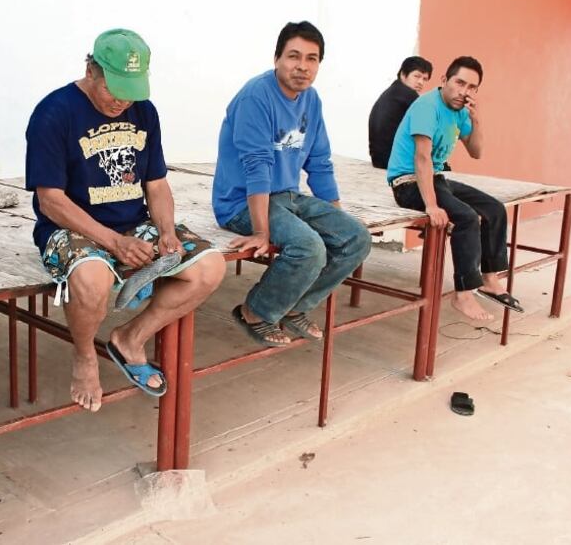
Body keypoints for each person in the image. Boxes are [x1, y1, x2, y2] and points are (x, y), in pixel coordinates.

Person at [24, 28, 225, 413]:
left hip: (134, 223)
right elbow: (50, 201)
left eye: (131, 89)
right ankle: (84, 355)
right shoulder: (54, 112)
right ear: (91, 70)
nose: (122, 100)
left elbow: (156, 182)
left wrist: (166, 231)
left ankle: (130, 338)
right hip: (71, 227)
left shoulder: (144, 111)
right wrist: (114, 244)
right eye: (114, 88)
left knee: (209, 268)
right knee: (92, 279)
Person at [212, 21, 372, 347]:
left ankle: (294, 306)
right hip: (242, 202)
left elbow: (320, 161)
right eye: (293, 56)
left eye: (311, 59)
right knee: (309, 248)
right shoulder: (255, 97)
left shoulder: (311, 100)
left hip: (288, 196)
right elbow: (257, 167)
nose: (302, 66)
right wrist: (260, 232)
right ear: (277, 59)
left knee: (357, 237)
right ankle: (255, 310)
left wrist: (337, 217)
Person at [386, 55, 523, 321]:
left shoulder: (460, 111)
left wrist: (477, 119)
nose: (464, 91)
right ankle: (463, 294)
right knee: (466, 217)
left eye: (472, 87)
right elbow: (421, 158)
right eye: (459, 83)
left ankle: (490, 279)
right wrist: (431, 205)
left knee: (494, 209)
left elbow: (476, 152)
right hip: (408, 182)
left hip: (436, 178)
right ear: (444, 80)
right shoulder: (427, 106)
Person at [368, 56, 433, 168]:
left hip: (379, 159)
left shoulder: (393, 91)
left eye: (424, 79)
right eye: (416, 76)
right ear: (403, 74)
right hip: (394, 161)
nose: (420, 82)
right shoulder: (408, 95)